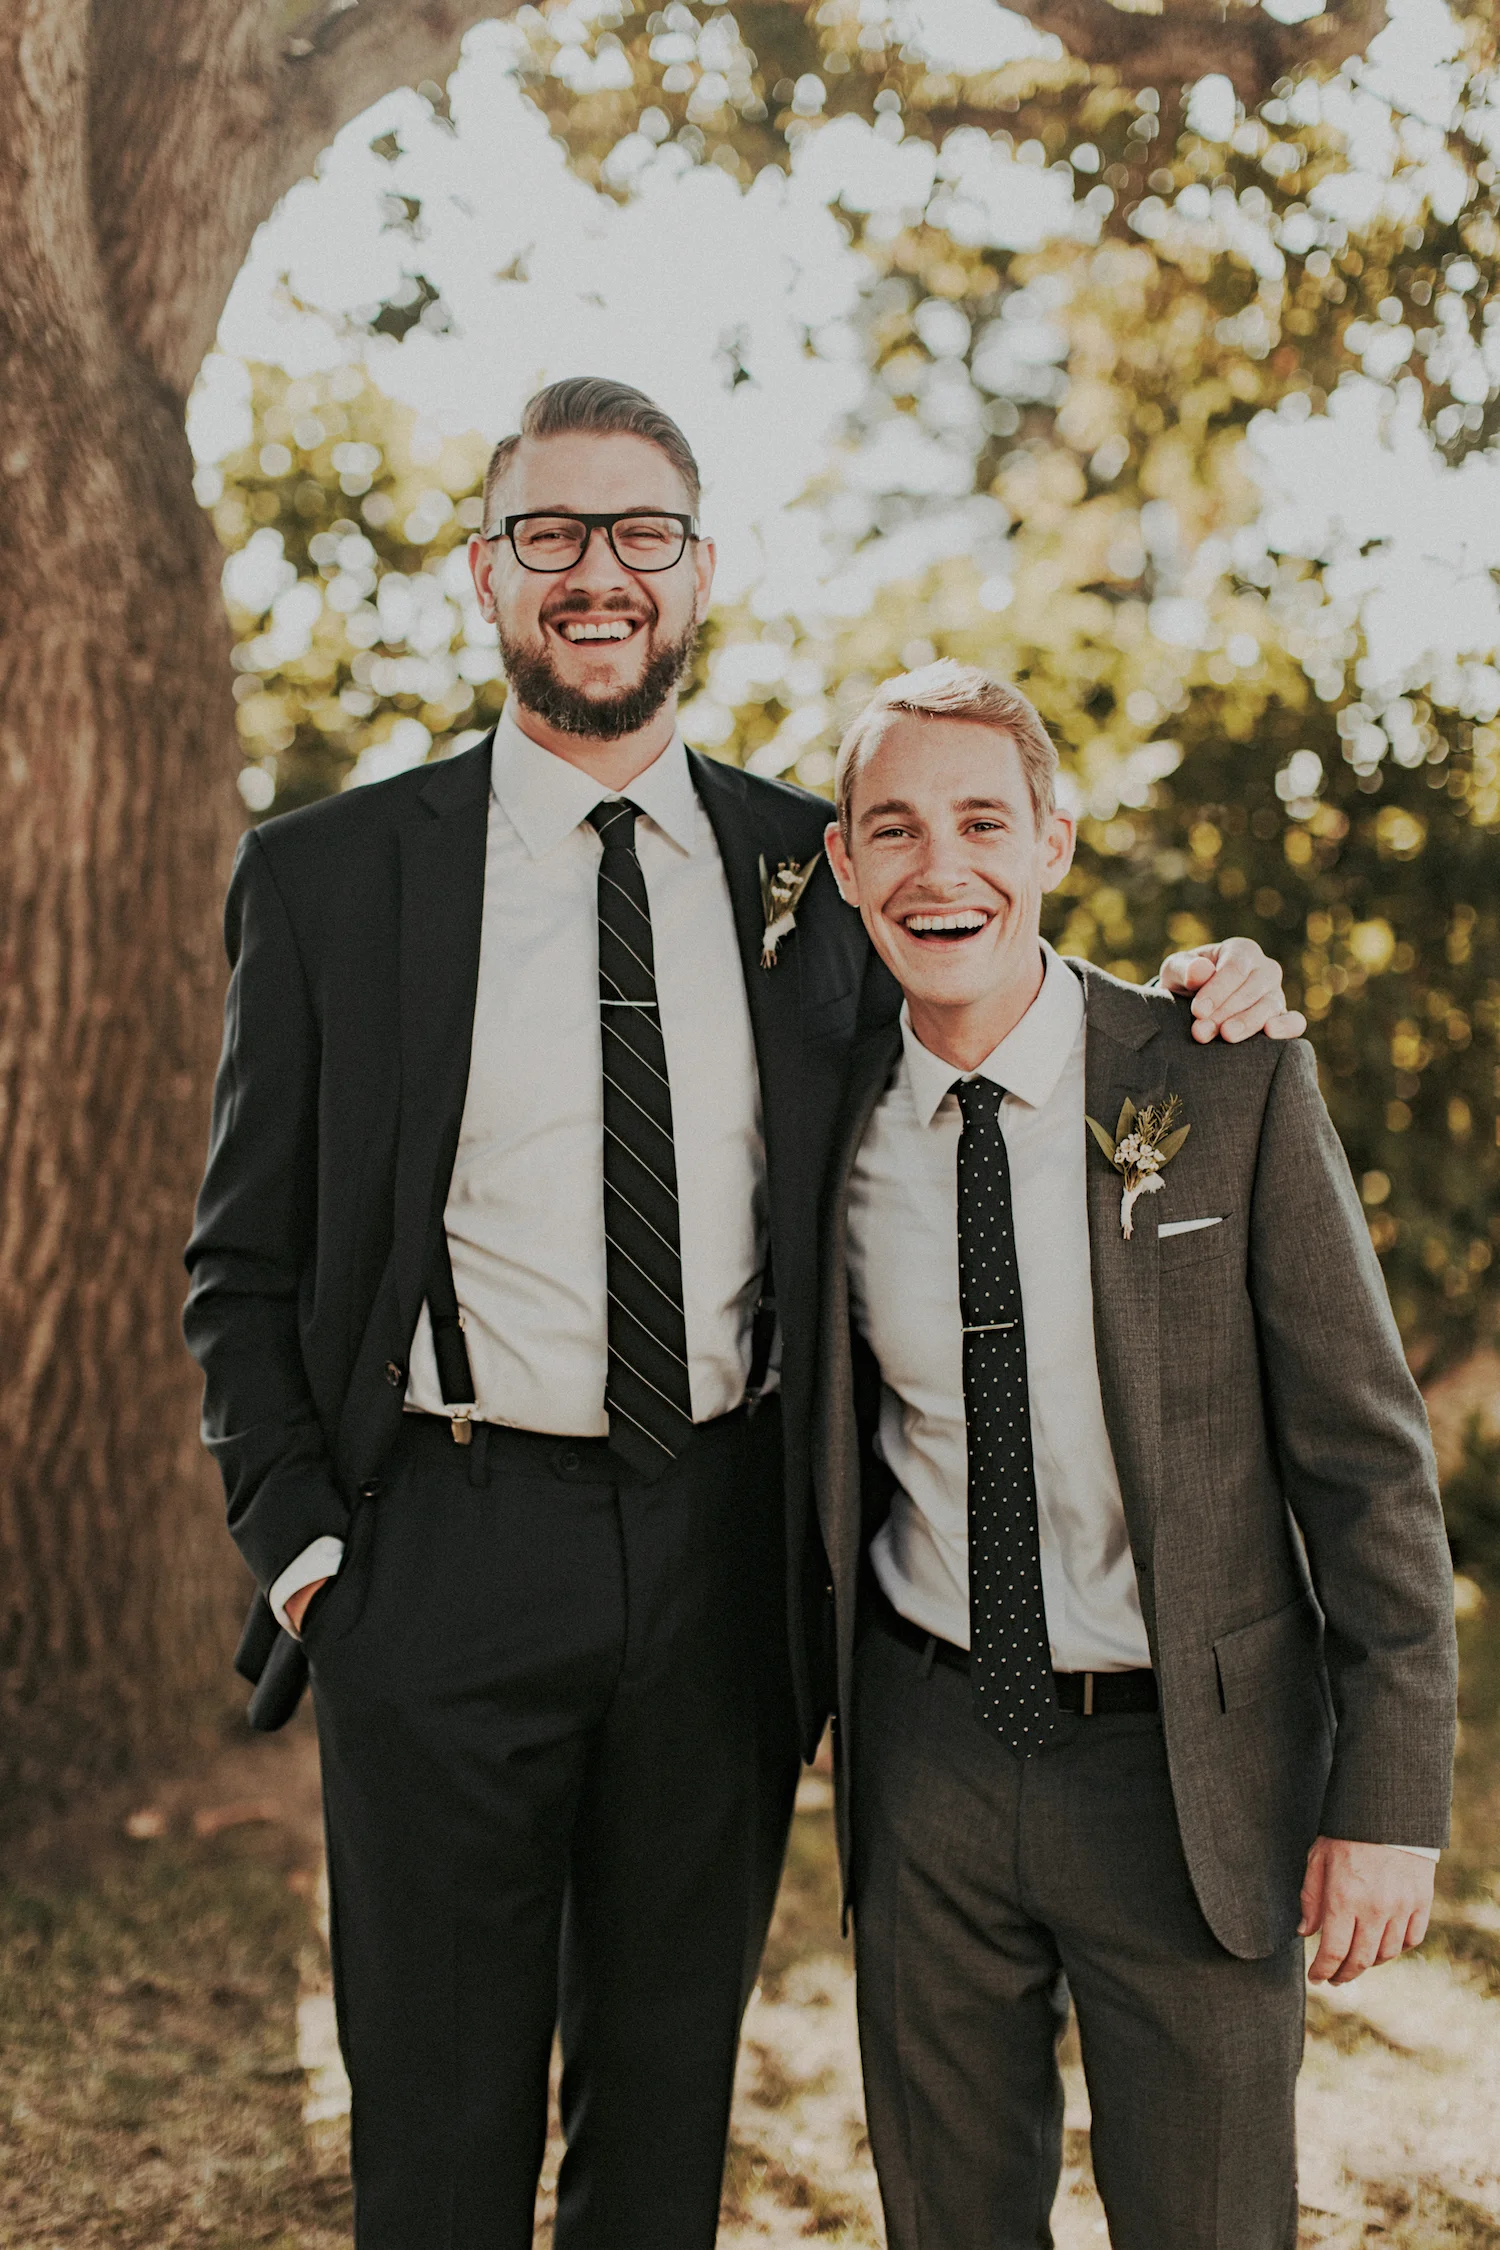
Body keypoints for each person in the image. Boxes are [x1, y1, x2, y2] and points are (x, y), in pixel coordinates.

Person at [184, 380, 1300, 2250]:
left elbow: (997, 971)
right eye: (553, 533)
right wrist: (309, 1556)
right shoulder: (330, 878)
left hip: (719, 1564)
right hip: (436, 1552)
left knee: (662, 2129)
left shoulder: (818, 872)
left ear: (700, 574)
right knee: (440, 2139)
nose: (597, 573)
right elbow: (243, 1264)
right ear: (487, 574)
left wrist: (1203, 992)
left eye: (641, 536)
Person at [812, 660, 1458, 2250]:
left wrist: (1390, 1796)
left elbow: (1367, 1459)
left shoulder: (1221, 1072)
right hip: (928, 1750)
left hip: (1188, 1772)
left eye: (981, 819)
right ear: (844, 868)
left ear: (1055, 836)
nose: (937, 866)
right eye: (891, 829)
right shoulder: (821, 1105)